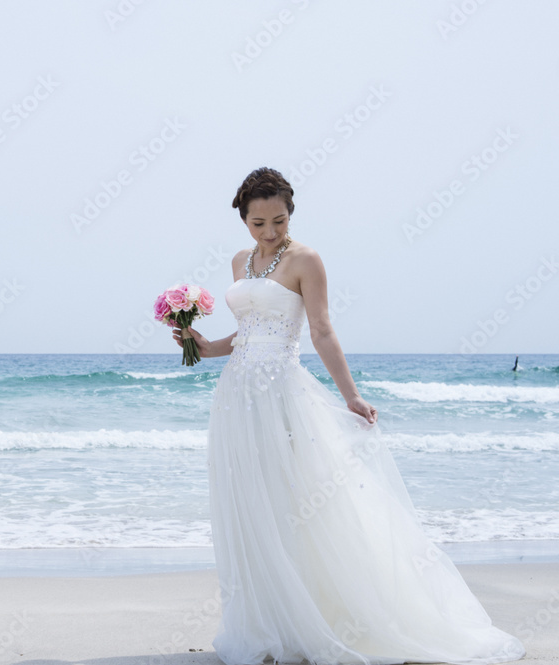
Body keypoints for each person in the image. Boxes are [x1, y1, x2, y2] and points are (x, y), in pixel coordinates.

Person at [172, 167, 525, 665]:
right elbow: (246, 333)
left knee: (299, 502)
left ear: (290, 212)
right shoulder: (241, 261)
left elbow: (320, 330)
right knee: (254, 504)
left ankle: (323, 619)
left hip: (282, 395)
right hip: (236, 398)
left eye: (278, 219)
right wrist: (200, 345)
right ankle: (272, 622)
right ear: (243, 219)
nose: (270, 232)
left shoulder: (306, 259)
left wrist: (352, 397)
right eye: (258, 223)